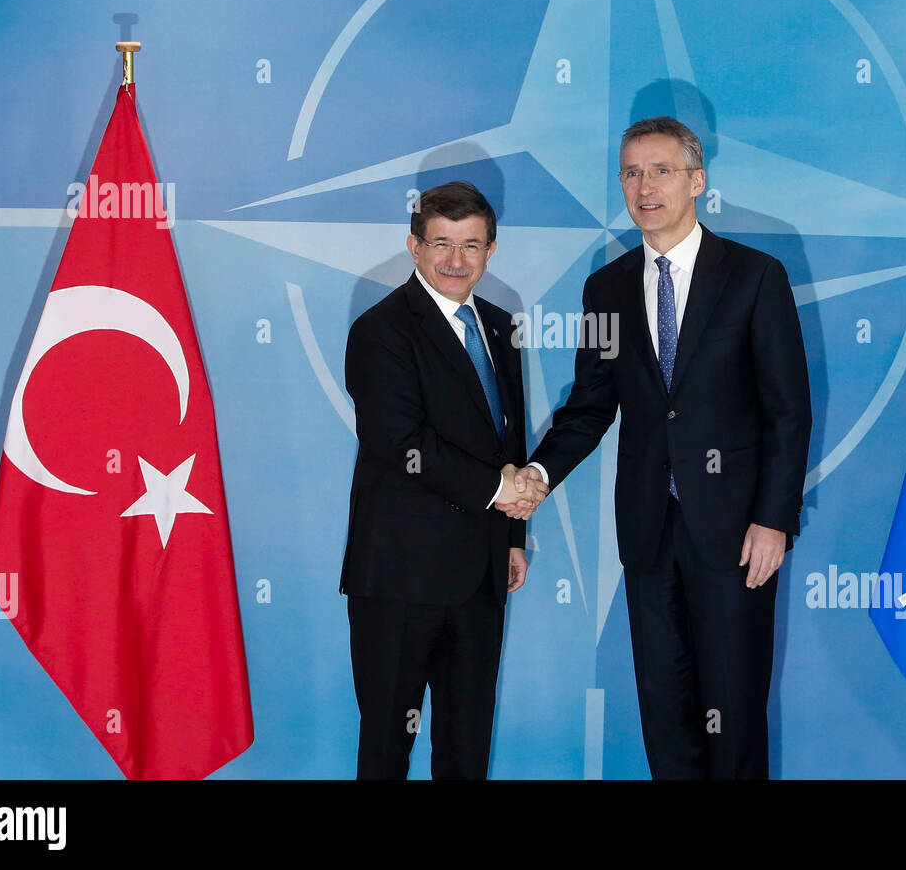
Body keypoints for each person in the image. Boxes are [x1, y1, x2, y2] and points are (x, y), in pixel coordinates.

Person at [503, 117, 811, 778]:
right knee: (665, 718)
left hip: (735, 535)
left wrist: (773, 517)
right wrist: (536, 472)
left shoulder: (755, 276)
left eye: (662, 171)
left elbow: (789, 411)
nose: (646, 187)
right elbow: (590, 404)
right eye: (632, 173)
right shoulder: (606, 288)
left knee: (732, 714)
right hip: (648, 533)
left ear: (697, 181)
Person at [341, 180, 547, 779]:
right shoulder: (381, 330)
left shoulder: (502, 327)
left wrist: (510, 537)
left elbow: (507, 440)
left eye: (471, 245)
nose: (456, 260)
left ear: (491, 250)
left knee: (466, 745)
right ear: (414, 246)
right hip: (400, 575)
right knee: (387, 744)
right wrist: (500, 490)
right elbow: (401, 444)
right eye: (441, 244)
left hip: (480, 572)